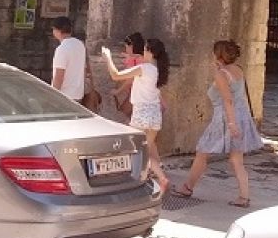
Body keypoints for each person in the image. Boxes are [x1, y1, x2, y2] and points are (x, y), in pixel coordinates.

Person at [172, 39, 264, 208]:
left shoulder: (221, 75)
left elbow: (227, 100)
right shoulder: (238, 70)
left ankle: (187, 187)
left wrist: (231, 124)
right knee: (236, 159)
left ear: (218, 55)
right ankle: (244, 197)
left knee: (202, 152)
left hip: (225, 119)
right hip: (241, 116)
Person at [101, 37, 170, 192]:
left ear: (151, 53)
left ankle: (148, 180)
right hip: (154, 115)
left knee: (134, 150)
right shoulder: (158, 69)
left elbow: (116, 75)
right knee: (147, 150)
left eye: (145, 50)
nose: (143, 53)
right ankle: (159, 178)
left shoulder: (144, 68)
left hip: (141, 114)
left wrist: (108, 58)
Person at [50, 16, 87, 103]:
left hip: (64, 96)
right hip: (78, 94)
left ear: (57, 31)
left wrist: (52, 96)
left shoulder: (62, 49)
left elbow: (59, 76)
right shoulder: (80, 45)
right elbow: (84, 70)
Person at [112, 32, 144, 119]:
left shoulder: (136, 61)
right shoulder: (141, 58)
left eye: (126, 46)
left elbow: (130, 81)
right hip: (139, 94)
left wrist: (117, 92)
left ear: (131, 46)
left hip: (138, 95)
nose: (125, 49)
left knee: (124, 114)